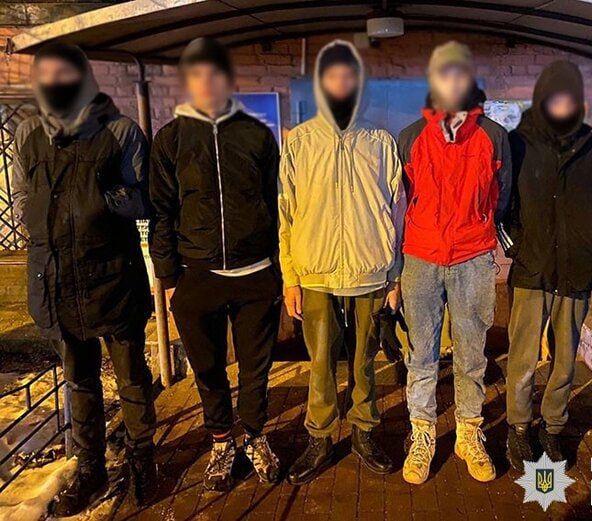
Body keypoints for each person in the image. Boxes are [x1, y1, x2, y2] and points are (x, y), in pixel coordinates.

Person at [11, 41, 156, 514]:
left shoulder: (120, 131)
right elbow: (21, 197)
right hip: (56, 280)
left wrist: (101, 199)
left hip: (113, 278)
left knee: (132, 377)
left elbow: (144, 198)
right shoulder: (29, 134)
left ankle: (143, 458)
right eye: (47, 75)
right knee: (80, 381)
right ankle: (90, 467)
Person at [149, 37, 282, 490]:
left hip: (255, 273)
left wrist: (278, 268)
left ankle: (256, 436)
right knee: (207, 369)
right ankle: (222, 441)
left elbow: (277, 204)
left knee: (255, 369)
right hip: (197, 276)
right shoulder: (170, 139)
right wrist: (168, 277)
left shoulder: (256, 135)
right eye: (197, 74)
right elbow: (161, 211)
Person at [278, 39, 405, 485]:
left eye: (348, 77)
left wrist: (394, 276)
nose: (341, 85)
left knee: (365, 359)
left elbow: (398, 211)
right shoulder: (300, 143)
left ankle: (364, 431)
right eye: (332, 77)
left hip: (371, 269)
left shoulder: (381, 142)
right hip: (315, 272)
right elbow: (286, 212)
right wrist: (290, 278)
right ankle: (320, 435)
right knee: (320, 362)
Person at [398, 41, 511, 485]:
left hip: (472, 257)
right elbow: (404, 199)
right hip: (421, 257)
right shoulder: (411, 137)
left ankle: (468, 431)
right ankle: (422, 433)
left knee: (471, 353)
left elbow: (502, 197)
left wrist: (478, 227)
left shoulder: (494, 136)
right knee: (421, 355)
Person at [502, 61, 592, 467]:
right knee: (523, 356)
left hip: (575, 270)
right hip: (531, 269)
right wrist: (516, 247)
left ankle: (552, 428)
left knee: (565, 358)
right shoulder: (518, 142)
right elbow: (503, 203)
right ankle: (518, 428)